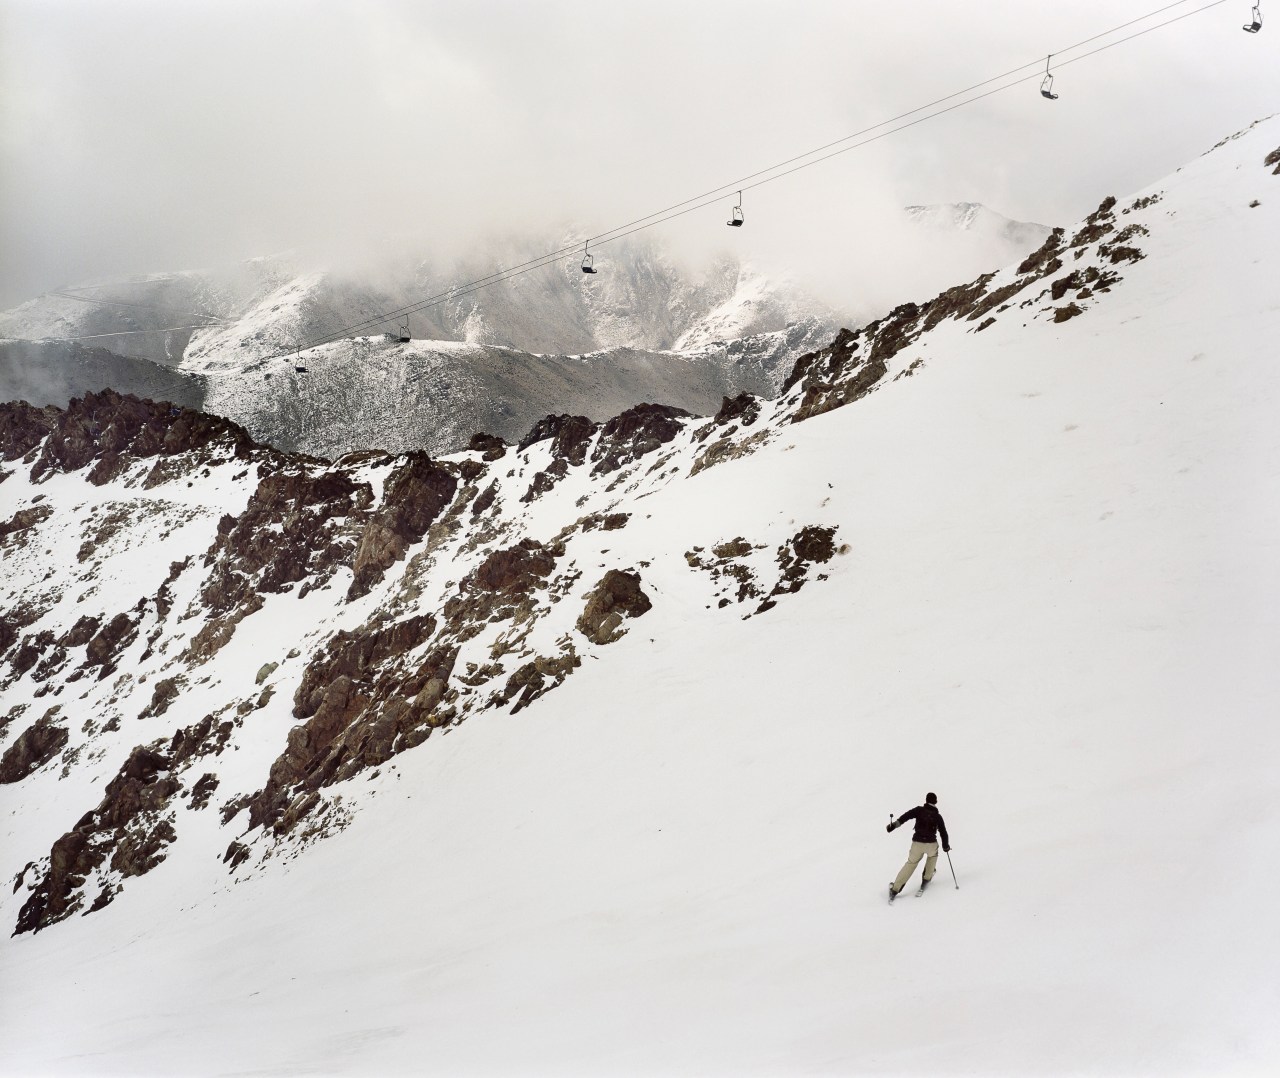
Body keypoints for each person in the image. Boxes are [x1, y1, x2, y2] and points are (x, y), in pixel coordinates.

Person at [886, 792, 950, 900]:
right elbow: (943, 832)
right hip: (931, 844)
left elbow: (905, 817)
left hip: (917, 844)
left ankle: (895, 889)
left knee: (911, 863)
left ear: (926, 800)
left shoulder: (919, 810)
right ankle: (926, 880)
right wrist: (945, 846)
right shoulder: (938, 816)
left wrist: (894, 825)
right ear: (936, 802)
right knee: (932, 857)